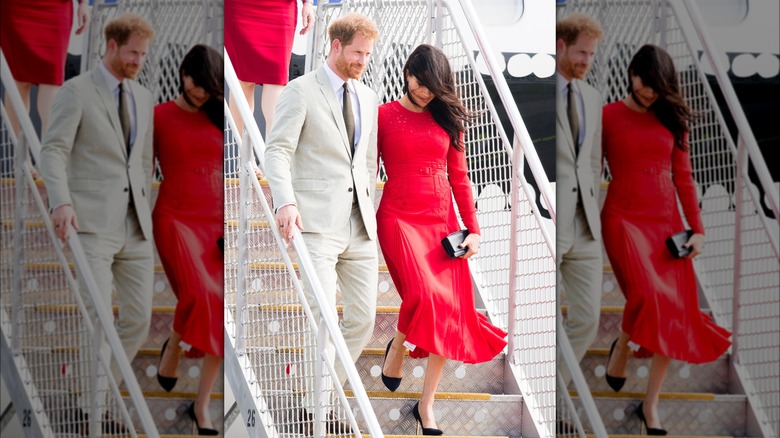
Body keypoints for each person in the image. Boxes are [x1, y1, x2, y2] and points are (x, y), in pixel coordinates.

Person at [377, 44, 507, 435]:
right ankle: (398, 345)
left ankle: (427, 404)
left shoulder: (448, 120)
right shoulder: (382, 115)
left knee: (447, 311)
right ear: (407, 73)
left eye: (434, 87)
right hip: (398, 217)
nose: (425, 92)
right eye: (421, 83)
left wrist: (475, 229)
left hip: (441, 222)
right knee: (424, 297)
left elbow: (460, 178)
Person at [601, 44, 731, 435]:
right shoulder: (607, 116)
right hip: (622, 219)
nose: (651, 93)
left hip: (667, 225)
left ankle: (651, 406)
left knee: (672, 313)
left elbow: (684, 178)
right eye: (646, 85)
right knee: (647, 297)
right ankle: (622, 346)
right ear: (632, 75)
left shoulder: (673, 120)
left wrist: (699, 230)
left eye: (659, 88)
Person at [38, 13, 155, 434]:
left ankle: (95, 396)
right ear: (110, 46)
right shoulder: (75, 92)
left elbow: (141, 162)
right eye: (132, 53)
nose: (138, 61)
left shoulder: (143, 97)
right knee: (99, 317)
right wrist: (61, 202)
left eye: (143, 54)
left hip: (135, 228)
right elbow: (52, 151)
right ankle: (92, 413)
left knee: (138, 320)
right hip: (89, 222)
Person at [264, 12, 379, 435]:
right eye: (356, 53)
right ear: (335, 46)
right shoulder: (299, 91)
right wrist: (285, 201)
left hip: (359, 227)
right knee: (323, 317)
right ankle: (318, 413)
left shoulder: (368, 97)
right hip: (314, 222)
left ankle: (320, 396)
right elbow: (276, 151)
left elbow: (365, 163)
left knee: (362, 320)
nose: (362, 61)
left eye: (367, 54)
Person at [152, 44, 224, 436]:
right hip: (175, 219)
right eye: (196, 84)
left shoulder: (220, 117)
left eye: (208, 86)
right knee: (199, 295)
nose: (200, 92)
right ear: (183, 74)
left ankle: (202, 405)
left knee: (222, 303)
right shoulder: (159, 115)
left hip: (215, 222)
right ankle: (173, 350)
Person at [554, 13, 604, 387]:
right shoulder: (543, 89)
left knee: (587, 318)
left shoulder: (591, 96)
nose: (587, 61)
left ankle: (554, 386)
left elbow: (591, 160)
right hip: (552, 217)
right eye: (582, 52)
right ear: (561, 46)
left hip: (585, 224)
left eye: (592, 54)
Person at [1, 0, 90, 173]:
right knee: (17, 81)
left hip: (55, 7)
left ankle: (48, 159)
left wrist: (83, 3)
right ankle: (21, 158)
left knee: (52, 79)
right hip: (14, 6)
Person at [225, 0, 315, 138]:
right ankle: (243, 154)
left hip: (280, 8)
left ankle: (273, 156)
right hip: (240, 7)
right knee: (241, 80)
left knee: (276, 80)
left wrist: (307, 3)